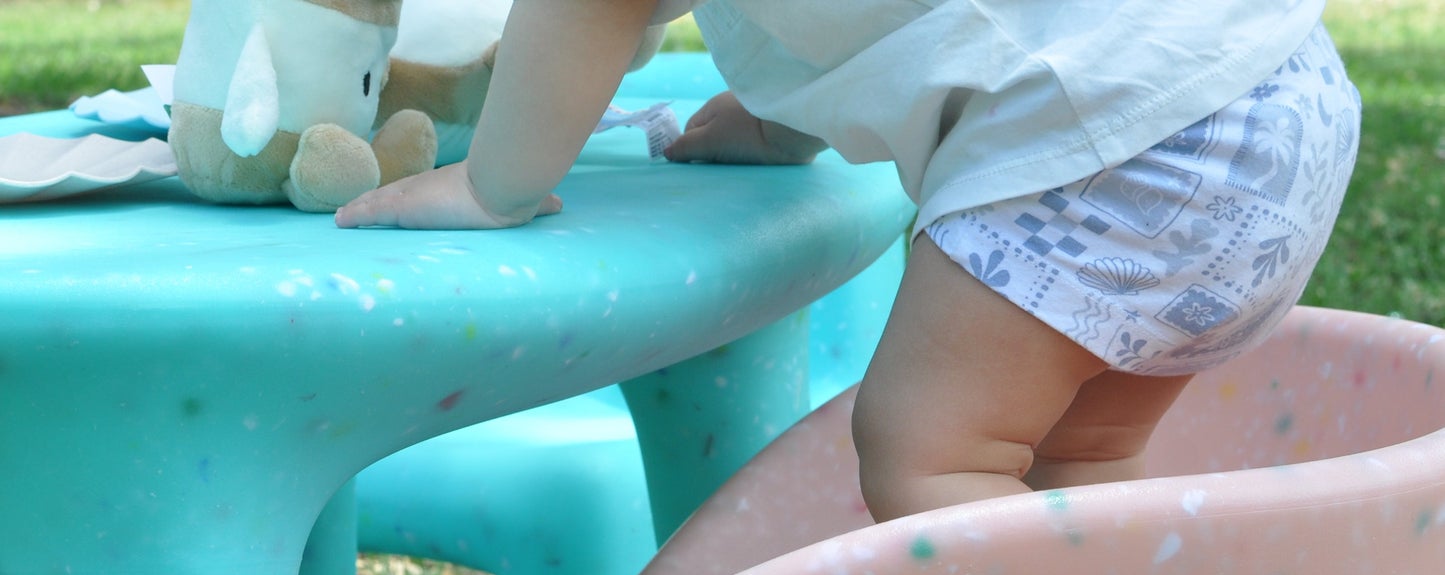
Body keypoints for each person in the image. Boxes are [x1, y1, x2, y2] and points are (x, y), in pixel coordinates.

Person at [336, 1, 1360, 523]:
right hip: (1273, 97)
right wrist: (781, 122)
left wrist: (493, 185)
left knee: (932, 453)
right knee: (1075, 453)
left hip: (1125, 148)